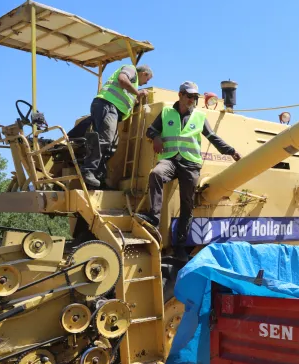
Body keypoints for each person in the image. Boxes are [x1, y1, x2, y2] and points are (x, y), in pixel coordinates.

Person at [137, 81, 241, 261]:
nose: (192, 99)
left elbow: (212, 137)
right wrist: (156, 137)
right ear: (180, 95)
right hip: (170, 160)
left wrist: (231, 151)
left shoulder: (199, 116)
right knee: (156, 174)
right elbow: (150, 131)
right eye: (189, 96)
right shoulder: (166, 112)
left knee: (187, 205)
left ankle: (180, 246)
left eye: (195, 97)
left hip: (190, 164)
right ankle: (153, 217)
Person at [81, 64, 154, 188]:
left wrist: (136, 98)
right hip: (107, 105)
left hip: (111, 109)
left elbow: (127, 96)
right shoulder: (131, 69)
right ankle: (88, 170)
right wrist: (138, 93)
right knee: (105, 140)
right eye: (147, 79)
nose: (146, 83)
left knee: (111, 146)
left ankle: (98, 176)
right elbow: (122, 79)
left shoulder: (133, 85)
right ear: (144, 73)